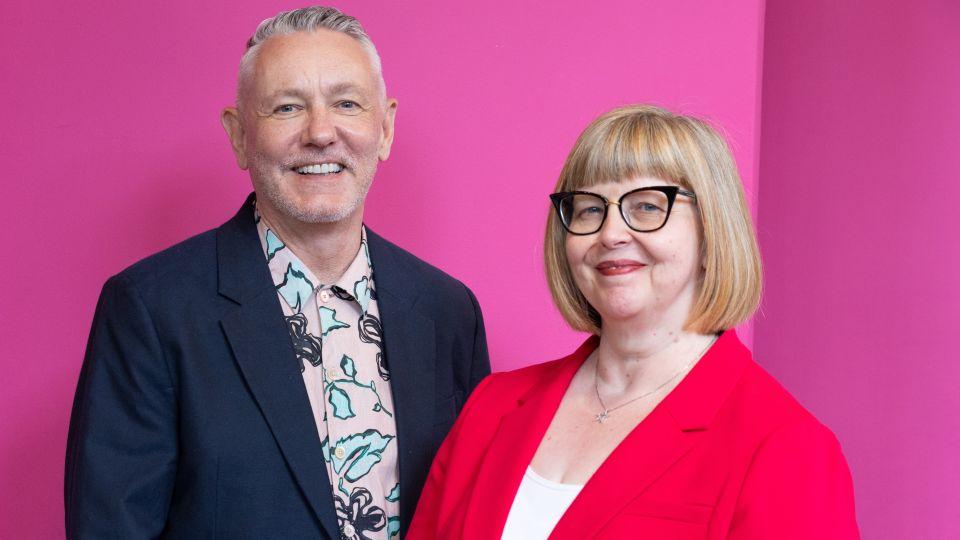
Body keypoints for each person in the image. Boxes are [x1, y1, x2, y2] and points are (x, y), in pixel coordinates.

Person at [64, 6, 489, 539]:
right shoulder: (151, 311)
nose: (320, 132)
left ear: (384, 128)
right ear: (239, 135)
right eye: (287, 107)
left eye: (347, 103)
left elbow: (475, 515)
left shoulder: (448, 313)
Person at [408, 104, 859, 539]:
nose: (610, 234)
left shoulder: (785, 446)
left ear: (712, 233)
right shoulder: (493, 407)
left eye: (646, 206)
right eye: (590, 209)